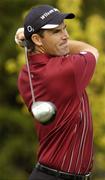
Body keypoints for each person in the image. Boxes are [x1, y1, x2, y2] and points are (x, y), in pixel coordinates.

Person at [15, 4, 99, 180]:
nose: (66, 36)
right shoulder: (64, 71)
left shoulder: (25, 73)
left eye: (65, 29)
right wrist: (27, 36)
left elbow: (56, 52)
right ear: (38, 40)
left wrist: (29, 40)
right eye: (57, 32)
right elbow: (92, 51)